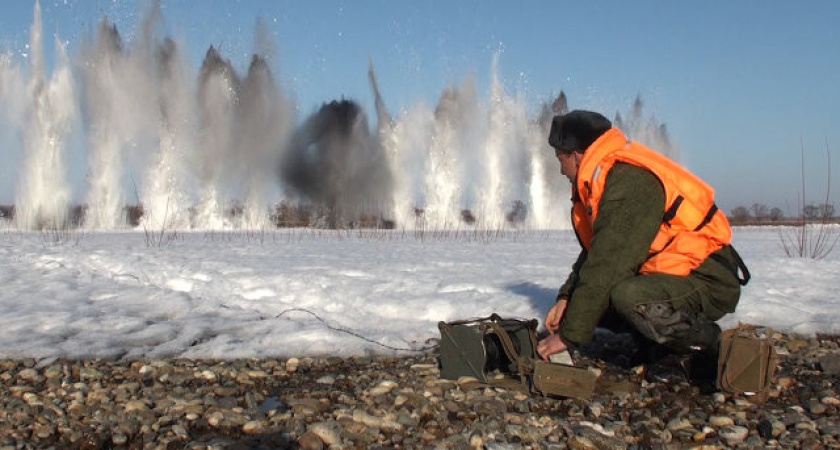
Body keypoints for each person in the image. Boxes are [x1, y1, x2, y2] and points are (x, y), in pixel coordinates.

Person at [536, 110, 749, 384]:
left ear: (577, 154)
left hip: (706, 277)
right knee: (594, 300)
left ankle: (702, 346)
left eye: (560, 159)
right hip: (672, 277)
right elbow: (597, 252)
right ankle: (654, 343)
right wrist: (567, 298)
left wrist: (569, 336)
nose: (560, 169)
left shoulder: (629, 181)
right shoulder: (604, 179)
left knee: (628, 296)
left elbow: (609, 264)